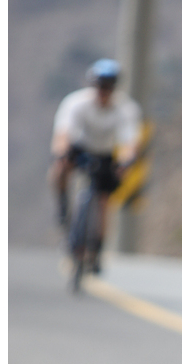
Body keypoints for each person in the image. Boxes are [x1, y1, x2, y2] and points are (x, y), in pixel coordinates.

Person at [50, 59, 143, 273]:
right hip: (80, 148)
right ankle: (62, 205)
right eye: (100, 86)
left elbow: (130, 143)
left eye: (108, 87)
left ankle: (97, 248)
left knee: (103, 200)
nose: (103, 92)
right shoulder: (76, 103)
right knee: (59, 168)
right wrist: (61, 154)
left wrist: (126, 161)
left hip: (106, 154)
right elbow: (63, 134)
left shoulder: (126, 109)